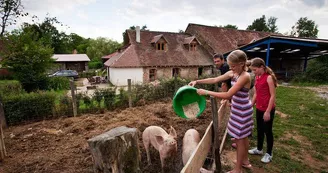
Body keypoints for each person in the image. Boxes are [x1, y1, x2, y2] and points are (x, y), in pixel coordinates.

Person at [190, 50, 253, 173]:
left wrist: (206, 92)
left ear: (241, 64)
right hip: (237, 108)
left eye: (233, 66)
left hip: (242, 111)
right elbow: (215, 79)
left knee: (240, 140)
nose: (231, 68)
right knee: (243, 137)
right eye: (230, 66)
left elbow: (228, 94)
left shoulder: (245, 76)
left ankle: (238, 169)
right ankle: (245, 161)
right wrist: (197, 81)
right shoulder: (233, 73)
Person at [248, 57, 277, 163]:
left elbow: (273, 96)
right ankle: (259, 149)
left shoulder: (268, 78)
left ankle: (269, 153)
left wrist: (268, 111)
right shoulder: (257, 77)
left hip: (267, 109)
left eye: (255, 70)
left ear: (262, 67)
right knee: (260, 129)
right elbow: (256, 93)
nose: (254, 72)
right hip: (259, 108)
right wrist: (251, 105)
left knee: (268, 131)